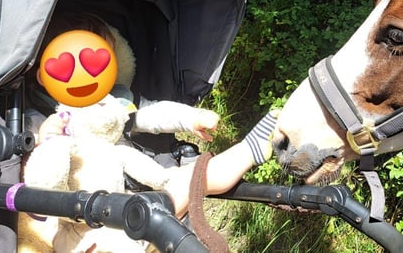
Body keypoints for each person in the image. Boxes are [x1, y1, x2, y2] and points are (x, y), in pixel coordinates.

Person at [26, 12, 278, 218]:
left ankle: (245, 152)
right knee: (172, 199)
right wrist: (43, 140)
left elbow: (155, 113)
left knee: (184, 183)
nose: (90, 74)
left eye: (101, 64)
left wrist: (191, 118)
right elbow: (31, 168)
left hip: (123, 194)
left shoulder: (116, 102)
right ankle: (243, 154)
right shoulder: (39, 114)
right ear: (44, 75)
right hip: (70, 209)